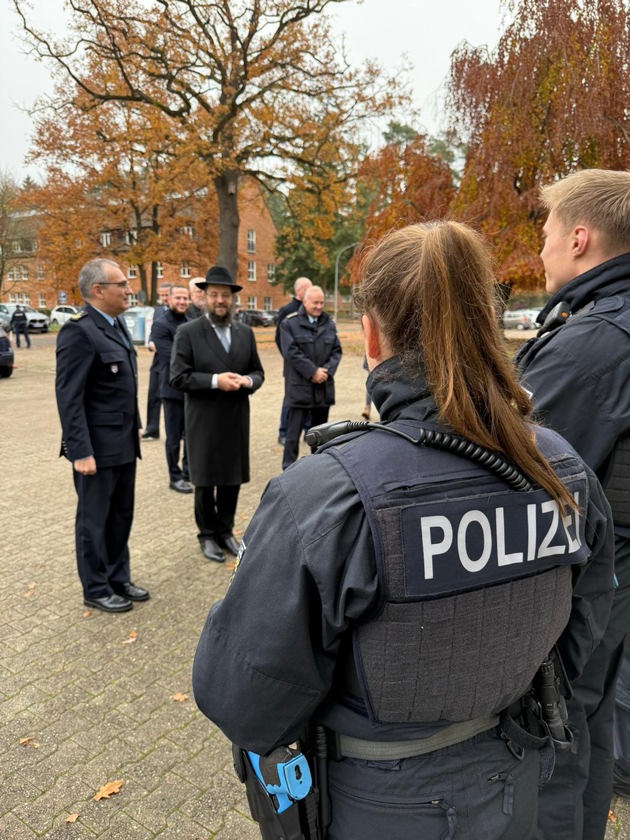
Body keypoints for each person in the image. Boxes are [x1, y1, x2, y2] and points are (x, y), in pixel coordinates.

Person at [192, 221, 614, 840]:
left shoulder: (325, 496)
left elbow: (242, 695)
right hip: (514, 779)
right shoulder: (563, 469)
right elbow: (585, 627)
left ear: (370, 334)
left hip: (378, 804)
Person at [515, 169, 630, 840]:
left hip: (585, 576)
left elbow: (523, 467)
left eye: (549, 229)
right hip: (613, 573)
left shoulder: (594, 341)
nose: (543, 243)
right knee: (589, 718)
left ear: (580, 237)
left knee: (557, 729)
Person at [55, 258, 149, 613]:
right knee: (94, 520)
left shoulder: (116, 324)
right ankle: (95, 587)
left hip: (123, 442)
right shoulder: (78, 331)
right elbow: (69, 397)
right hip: (95, 449)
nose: (129, 289)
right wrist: (79, 451)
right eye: (122, 284)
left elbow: (128, 385)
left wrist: (136, 426)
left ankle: (118, 576)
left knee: (121, 514)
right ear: (98, 290)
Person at [170, 266, 264, 563]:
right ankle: (206, 535)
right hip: (203, 421)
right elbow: (178, 377)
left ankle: (225, 531)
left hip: (235, 418)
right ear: (204, 297)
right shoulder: (188, 333)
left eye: (225, 295)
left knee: (230, 479)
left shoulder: (245, 333)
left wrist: (248, 382)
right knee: (205, 480)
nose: (220, 300)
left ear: (233, 299)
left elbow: (257, 372)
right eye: (214, 295)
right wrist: (215, 381)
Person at [279, 284, 342, 469]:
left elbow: (336, 351)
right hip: (300, 389)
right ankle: (288, 470)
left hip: (322, 388)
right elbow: (291, 353)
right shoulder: (289, 324)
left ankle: (317, 470)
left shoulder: (329, 323)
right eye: (315, 303)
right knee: (293, 436)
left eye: (321, 303)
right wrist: (312, 371)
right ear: (305, 301)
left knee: (320, 436)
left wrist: (327, 371)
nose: (319, 306)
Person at [149, 283, 192, 494]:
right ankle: (174, 476)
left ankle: (187, 471)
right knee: (174, 437)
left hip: (191, 390)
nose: (182, 302)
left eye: (186, 298)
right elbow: (173, 357)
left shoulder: (191, 322)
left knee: (190, 434)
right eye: (178, 298)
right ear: (169, 300)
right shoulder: (160, 325)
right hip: (172, 389)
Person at [274, 276, 312, 444]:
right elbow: (278, 338)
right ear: (298, 291)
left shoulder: (311, 309)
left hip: (310, 364)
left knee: (311, 397)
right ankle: (284, 432)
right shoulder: (287, 310)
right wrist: (289, 358)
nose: (310, 291)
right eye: (307, 289)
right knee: (290, 399)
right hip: (292, 365)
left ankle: (308, 431)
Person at [142, 281, 171, 440]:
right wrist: (151, 343)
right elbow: (152, 334)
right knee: (153, 394)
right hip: (158, 360)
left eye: (167, 295)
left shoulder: (180, 313)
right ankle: (152, 428)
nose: (165, 298)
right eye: (163, 295)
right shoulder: (157, 311)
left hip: (173, 361)